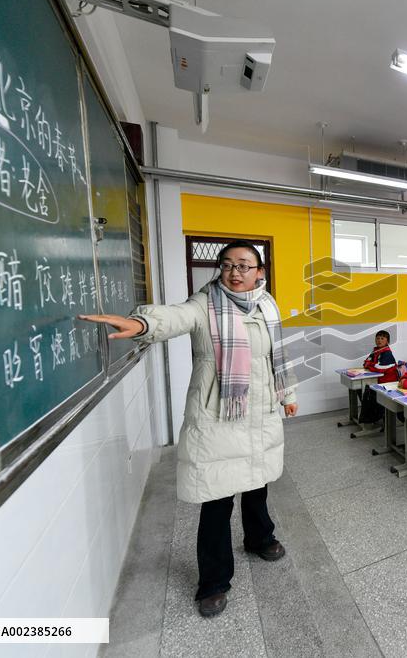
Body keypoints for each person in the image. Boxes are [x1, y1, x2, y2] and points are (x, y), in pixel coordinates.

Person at [81, 241, 297, 619]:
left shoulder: (267, 306)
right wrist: (143, 324)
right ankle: (213, 582)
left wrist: (287, 393)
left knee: (257, 485)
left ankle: (259, 538)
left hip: (260, 413)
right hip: (218, 415)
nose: (235, 271)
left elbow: (278, 355)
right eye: (227, 264)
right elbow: (174, 318)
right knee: (216, 500)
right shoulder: (205, 304)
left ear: (260, 272)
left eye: (245, 265)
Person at [358, 330, 397, 424]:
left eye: (382, 338)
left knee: (368, 392)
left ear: (387, 341)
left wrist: (370, 365)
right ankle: (373, 416)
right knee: (359, 389)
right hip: (377, 380)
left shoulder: (387, 353)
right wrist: (370, 365)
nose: (379, 340)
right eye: (378, 338)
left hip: (386, 383)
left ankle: (373, 417)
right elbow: (365, 362)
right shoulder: (376, 350)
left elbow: (379, 368)